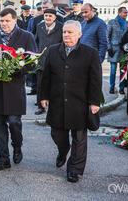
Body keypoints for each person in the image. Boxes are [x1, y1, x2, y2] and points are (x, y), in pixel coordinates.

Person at [40, 20, 102, 183]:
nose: (66, 35)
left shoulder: (90, 53)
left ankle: (74, 170)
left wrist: (94, 102)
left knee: (79, 138)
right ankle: (63, 150)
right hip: (57, 101)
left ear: (79, 34)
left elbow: (96, 80)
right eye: (64, 32)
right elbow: (46, 76)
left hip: (80, 102)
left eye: (70, 32)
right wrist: (43, 96)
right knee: (57, 134)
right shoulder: (53, 51)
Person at [0, 8, 36, 171]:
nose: (4, 24)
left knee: (14, 122)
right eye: (1, 21)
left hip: (15, 88)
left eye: (7, 21)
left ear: (15, 20)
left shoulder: (27, 36)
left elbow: (32, 62)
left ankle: (17, 145)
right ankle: (3, 159)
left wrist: (18, 69)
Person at [34, 9, 63, 115]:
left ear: (55, 17)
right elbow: (36, 41)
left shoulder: (60, 27)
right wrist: (37, 52)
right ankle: (40, 106)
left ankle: (54, 106)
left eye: (50, 16)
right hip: (42, 60)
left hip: (56, 61)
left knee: (54, 84)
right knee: (40, 84)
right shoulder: (40, 26)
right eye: (46, 15)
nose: (48, 18)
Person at [107, 7, 128, 94]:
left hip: (124, 50)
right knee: (113, 70)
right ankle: (112, 87)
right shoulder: (112, 22)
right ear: (119, 13)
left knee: (122, 70)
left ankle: (121, 88)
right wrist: (109, 48)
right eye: (124, 12)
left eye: (127, 13)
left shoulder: (127, 23)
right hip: (113, 49)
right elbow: (107, 36)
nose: (126, 14)